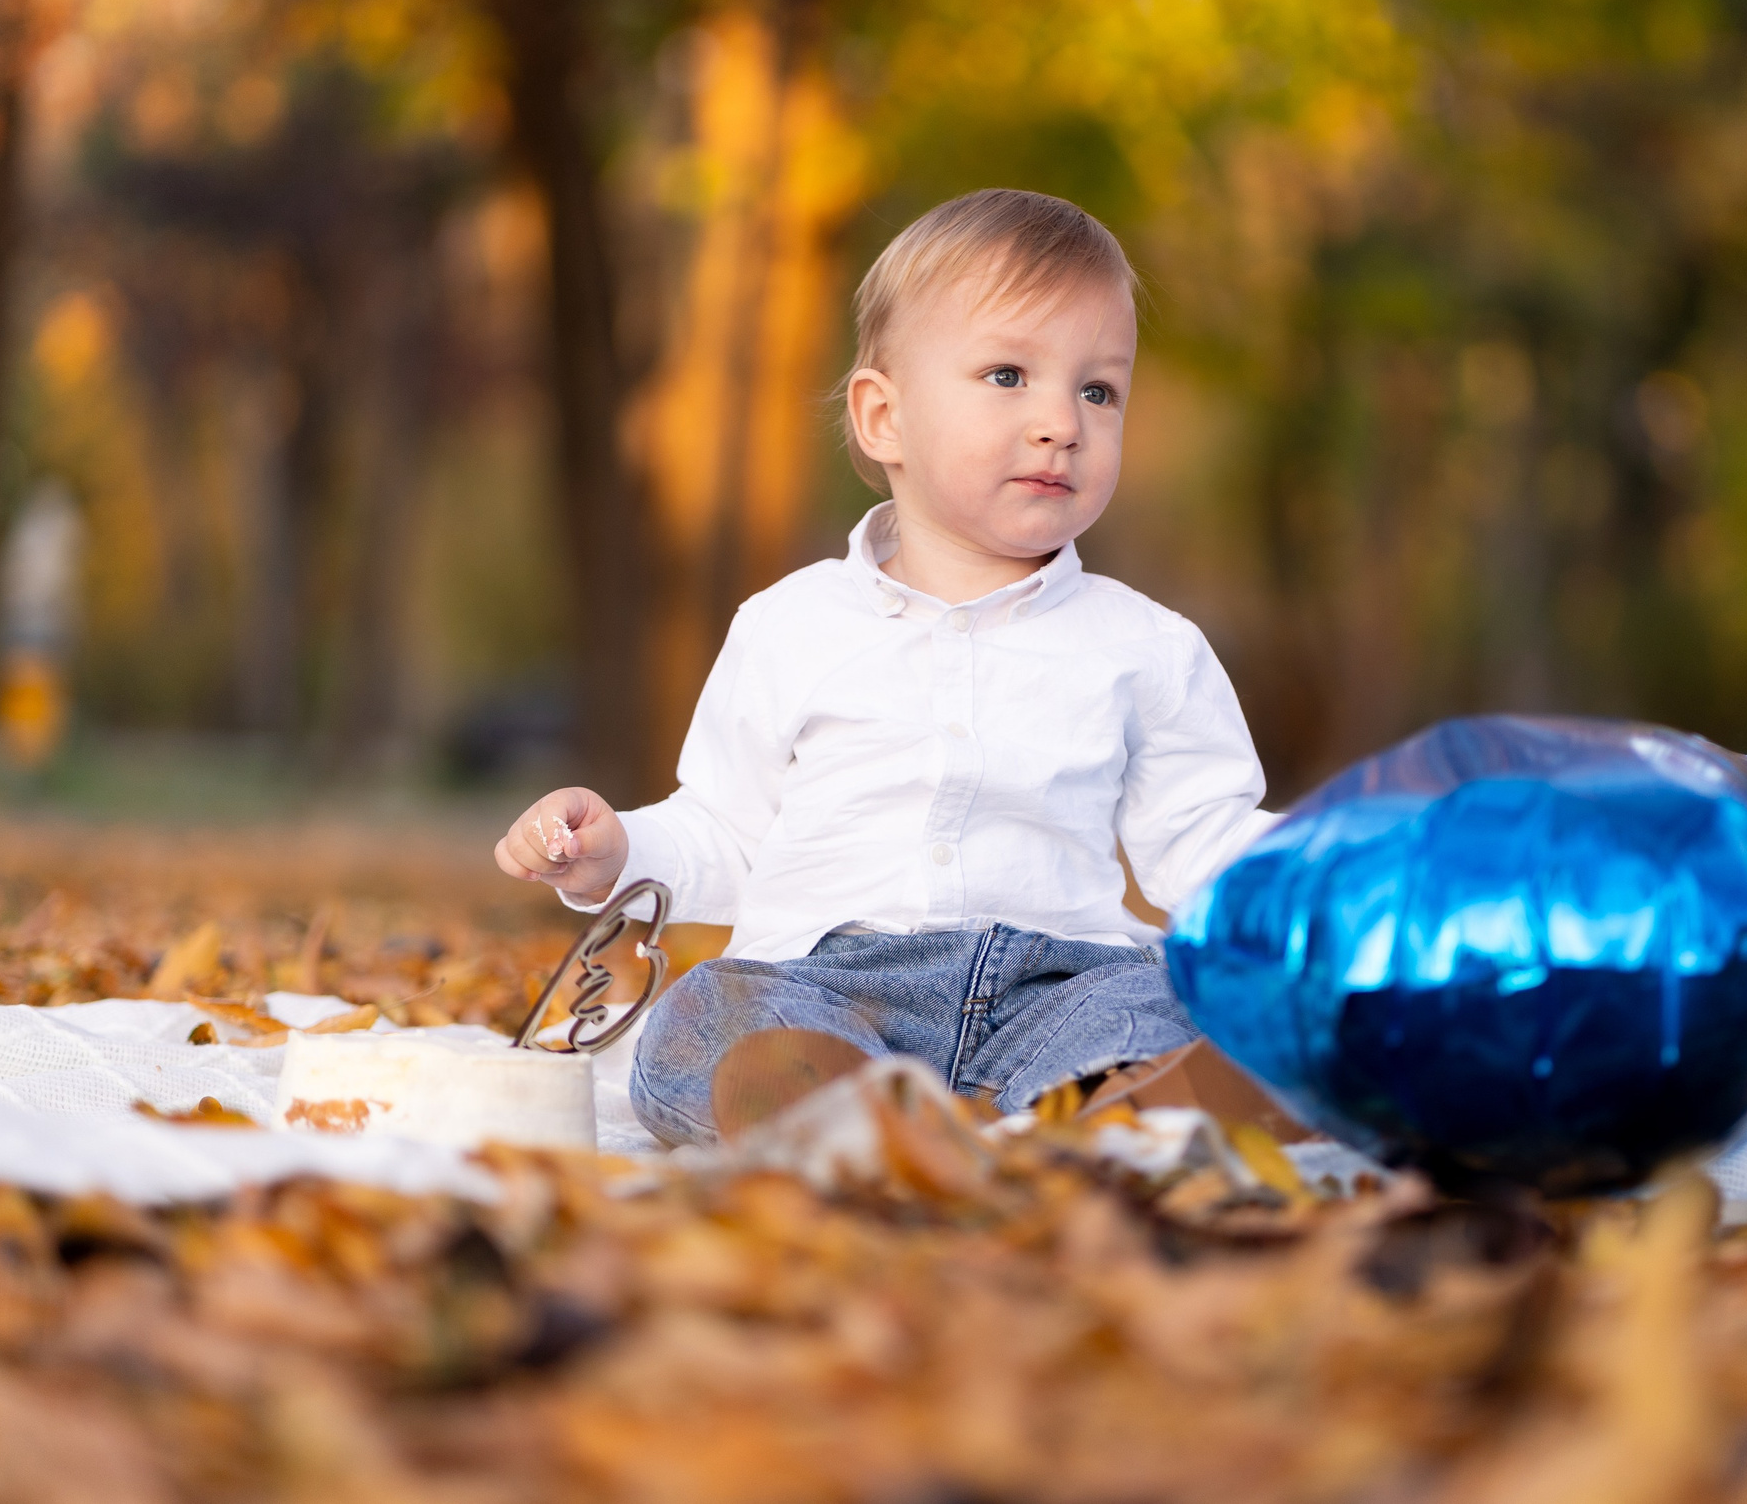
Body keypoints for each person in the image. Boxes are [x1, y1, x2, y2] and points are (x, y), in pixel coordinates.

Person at [494, 189, 1275, 1146]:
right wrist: (618, 854)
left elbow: (1203, 835)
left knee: (1163, 1002)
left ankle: (1113, 1109)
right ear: (883, 417)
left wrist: (1332, 879)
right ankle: (840, 1115)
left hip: (1057, 985)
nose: (1061, 422)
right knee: (709, 1016)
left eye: (1098, 390)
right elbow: (731, 831)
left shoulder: (1146, 647)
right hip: (828, 988)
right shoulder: (790, 624)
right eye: (1007, 374)